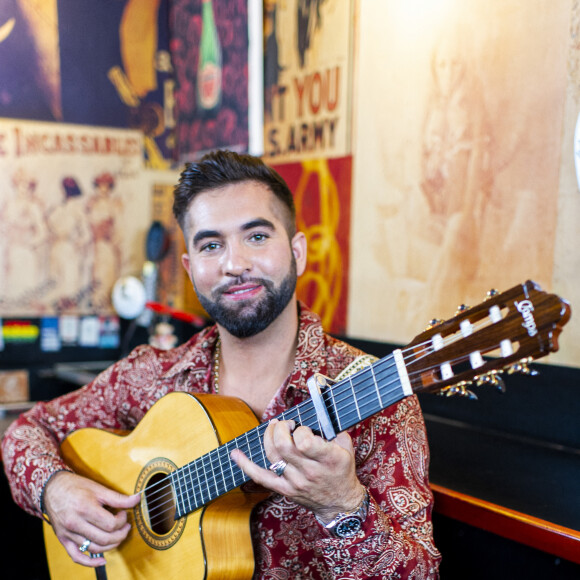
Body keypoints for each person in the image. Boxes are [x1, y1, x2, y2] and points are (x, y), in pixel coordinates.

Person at [2, 150, 441, 578]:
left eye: (257, 236)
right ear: (191, 270)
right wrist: (54, 490)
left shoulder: (374, 394)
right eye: (212, 245)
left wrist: (342, 506)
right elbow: (27, 429)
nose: (235, 264)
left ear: (298, 252)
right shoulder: (150, 375)